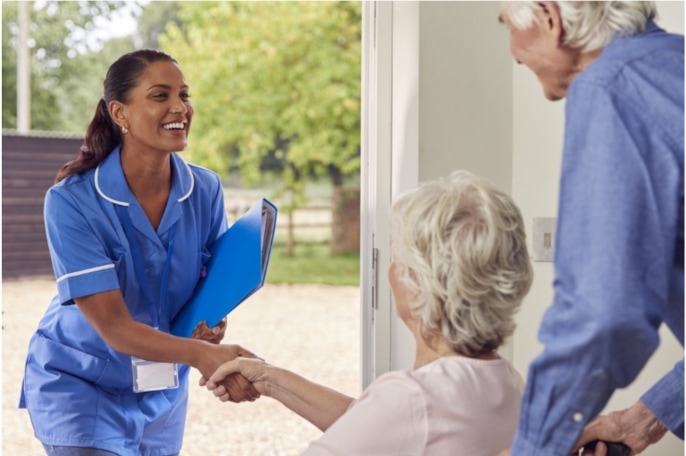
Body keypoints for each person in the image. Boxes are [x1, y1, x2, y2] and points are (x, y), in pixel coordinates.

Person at [19, 49, 261, 456]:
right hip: (81, 384)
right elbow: (114, 327)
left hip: (160, 390)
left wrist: (212, 328)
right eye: (160, 95)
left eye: (184, 94)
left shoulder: (205, 190)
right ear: (120, 113)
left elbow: (211, 291)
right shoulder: (71, 201)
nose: (180, 107)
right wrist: (202, 353)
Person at [203, 170, 535, 455]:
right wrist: (269, 379)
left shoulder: (411, 398)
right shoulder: (507, 382)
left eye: (397, 255)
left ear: (417, 283)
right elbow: (379, 428)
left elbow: (390, 421)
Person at [496, 2, 684, 455]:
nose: (513, 55)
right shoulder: (674, 65)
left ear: (548, 17)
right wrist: (642, 421)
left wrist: (535, 449)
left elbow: (601, 316)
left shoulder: (610, 88)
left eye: (506, 26)